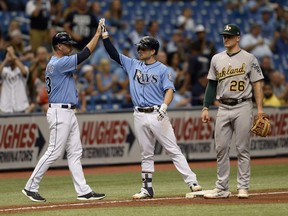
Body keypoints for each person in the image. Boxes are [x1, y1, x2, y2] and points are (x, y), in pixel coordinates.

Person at [100, 18, 202, 199]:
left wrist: (164, 106)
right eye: (139, 48)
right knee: (146, 153)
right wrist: (105, 35)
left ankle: (192, 181)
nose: (140, 50)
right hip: (138, 113)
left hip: (157, 113)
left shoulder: (162, 69)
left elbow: (169, 90)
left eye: (144, 48)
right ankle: (147, 189)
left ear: (153, 51)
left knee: (172, 149)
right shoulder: (133, 64)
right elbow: (113, 54)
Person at [22, 20, 106, 202]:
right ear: (58, 46)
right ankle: (30, 186)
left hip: (68, 111)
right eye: (67, 44)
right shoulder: (59, 63)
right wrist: (98, 34)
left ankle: (83, 190)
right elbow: (85, 53)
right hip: (60, 111)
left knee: (75, 151)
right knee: (53, 151)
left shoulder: (57, 62)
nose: (70, 47)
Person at [201, 24, 265, 199]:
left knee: (242, 148)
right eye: (224, 35)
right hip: (223, 106)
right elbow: (211, 84)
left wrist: (259, 110)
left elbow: (257, 84)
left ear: (238, 38)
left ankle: (243, 187)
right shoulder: (216, 58)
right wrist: (206, 106)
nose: (226, 38)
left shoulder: (249, 58)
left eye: (229, 35)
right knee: (221, 148)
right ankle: (222, 188)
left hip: (243, 105)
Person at [0, 46, 29, 113]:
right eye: (8, 56)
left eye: (11, 56)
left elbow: (24, 72)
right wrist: (6, 60)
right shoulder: (5, 70)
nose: (10, 58)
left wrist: (13, 56)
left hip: (21, 107)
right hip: (5, 108)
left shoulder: (24, 68)